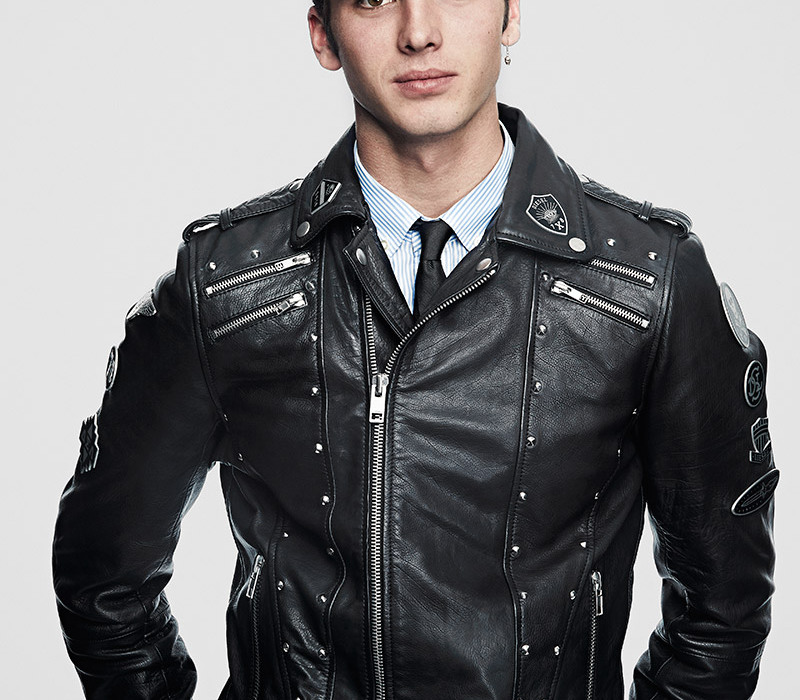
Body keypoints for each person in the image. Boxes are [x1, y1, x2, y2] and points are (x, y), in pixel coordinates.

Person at [53, 1, 777, 698]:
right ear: (324, 34)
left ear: (509, 13)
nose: (419, 32)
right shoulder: (226, 287)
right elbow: (103, 573)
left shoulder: (646, 283)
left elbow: (724, 607)